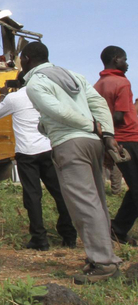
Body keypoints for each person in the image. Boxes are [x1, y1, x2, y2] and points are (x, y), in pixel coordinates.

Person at [22, 41, 122, 284]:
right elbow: (98, 103)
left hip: (70, 144)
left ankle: (103, 263)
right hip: (93, 143)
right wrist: (106, 133)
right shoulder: (73, 75)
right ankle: (103, 256)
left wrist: (91, 125)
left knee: (83, 205)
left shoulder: (35, 83)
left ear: (25, 59)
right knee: (97, 201)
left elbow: (58, 112)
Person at [0, 77, 77, 250]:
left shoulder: (14, 98)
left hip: (27, 152)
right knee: (60, 193)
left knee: (32, 196)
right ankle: (69, 235)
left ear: (18, 83)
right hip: (48, 148)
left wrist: (2, 95)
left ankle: (40, 239)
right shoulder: (44, 94)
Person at [94, 45, 138, 246]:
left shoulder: (98, 85)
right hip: (129, 138)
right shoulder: (122, 82)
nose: (127, 64)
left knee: (135, 187)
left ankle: (118, 229)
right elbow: (120, 116)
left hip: (114, 141)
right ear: (115, 59)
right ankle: (117, 230)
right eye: (125, 59)